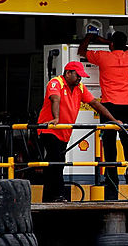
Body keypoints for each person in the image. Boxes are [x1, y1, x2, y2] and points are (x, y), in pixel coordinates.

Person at [37, 60, 121, 202]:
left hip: (64, 132)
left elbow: (95, 103)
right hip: (50, 129)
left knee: (53, 163)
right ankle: (58, 195)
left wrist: (113, 119)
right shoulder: (56, 82)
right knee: (57, 160)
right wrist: (56, 118)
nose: (80, 79)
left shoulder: (80, 88)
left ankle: (48, 197)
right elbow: (55, 98)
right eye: (77, 75)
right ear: (68, 73)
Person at [78, 26, 128, 198]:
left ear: (112, 44)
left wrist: (91, 37)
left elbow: (81, 51)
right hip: (127, 105)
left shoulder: (104, 57)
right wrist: (109, 41)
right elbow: (124, 47)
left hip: (109, 107)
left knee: (109, 144)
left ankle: (111, 181)